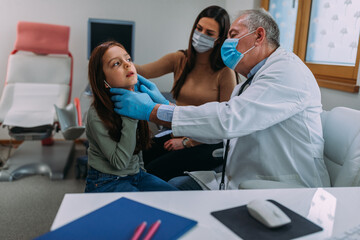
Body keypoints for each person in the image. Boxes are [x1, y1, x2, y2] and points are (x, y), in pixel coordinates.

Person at [110, 9, 331, 190]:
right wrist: (167, 106)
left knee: (166, 185)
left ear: (259, 36)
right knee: (171, 182)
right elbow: (222, 122)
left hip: (283, 189)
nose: (227, 43)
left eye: (233, 35)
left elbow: (227, 120)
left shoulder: (286, 72)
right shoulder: (250, 81)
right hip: (241, 178)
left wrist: (155, 111)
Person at [135, 5, 237, 181]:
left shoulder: (225, 73)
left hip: (207, 144)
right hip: (179, 133)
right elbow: (142, 71)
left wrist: (187, 142)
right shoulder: (179, 59)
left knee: (153, 171)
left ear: (219, 39)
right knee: (138, 157)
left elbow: (224, 124)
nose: (201, 35)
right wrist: (116, 59)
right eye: (199, 29)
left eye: (209, 33)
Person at [84, 41, 177, 192]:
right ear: (104, 81)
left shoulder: (136, 99)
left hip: (137, 175)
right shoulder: (96, 113)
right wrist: (131, 116)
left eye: (128, 59)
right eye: (116, 64)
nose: (127, 65)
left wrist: (163, 104)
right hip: (106, 180)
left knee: (176, 199)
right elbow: (119, 163)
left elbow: (137, 149)